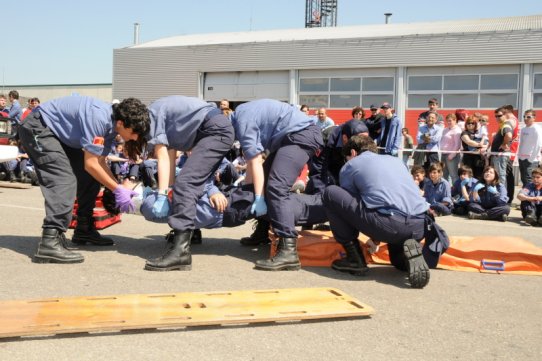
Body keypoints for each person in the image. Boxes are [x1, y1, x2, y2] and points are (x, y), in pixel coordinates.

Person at [18, 96, 150, 264]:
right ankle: (50, 240)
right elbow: (91, 163)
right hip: (38, 128)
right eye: (134, 132)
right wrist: (118, 190)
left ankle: (84, 228)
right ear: (121, 124)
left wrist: (116, 186)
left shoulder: (111, 127)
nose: (135, 138)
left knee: (90, 177)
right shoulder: (99, 119)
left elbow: (99, 163)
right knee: (63, 179)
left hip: (58, 135)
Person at [322, 135, 430, 288]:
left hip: (389, 224)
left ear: (352, 153)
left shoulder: (351, 165)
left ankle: (355, 258)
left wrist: (374, 236)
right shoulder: (396, 161)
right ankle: (405, 259)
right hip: (419, 225)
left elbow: (349, 204)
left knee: (331, 193)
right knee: (396, 261)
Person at [143, 95, 234, 272]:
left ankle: (181, 252)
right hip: (213, 129)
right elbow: (169, 153)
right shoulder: (164, 117)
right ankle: (190, 235)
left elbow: (162, 155)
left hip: (213, 130)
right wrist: (169, 189)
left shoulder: (154, 114)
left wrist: (162, 195)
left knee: (185, 184)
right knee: (185, 185)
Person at [231, 99, 323, 271]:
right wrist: (250, 190)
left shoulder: (242, 121)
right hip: (290, 137)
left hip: (301, 134)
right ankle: (263, 231)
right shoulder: (241, 115)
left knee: (276, 187)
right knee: (263, 181)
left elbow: (255, 161)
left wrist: (257, 197)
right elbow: (253, 162)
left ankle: (289, 250)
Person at [517, 109, 541, 187]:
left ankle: (531, 198)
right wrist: (519, 157)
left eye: (528, 117)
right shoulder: (523, 129)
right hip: (521, 159)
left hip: (531, 160)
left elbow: (539, 145)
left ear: (534, 118)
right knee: (524, 181)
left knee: (530, 181)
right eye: (524, 116)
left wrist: (531, 159)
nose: (525, 118)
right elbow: (521, 144)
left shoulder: (536, 128)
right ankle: (524, 198)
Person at [490, 107, 513, 187]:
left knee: (500, 176)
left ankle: (502, 195)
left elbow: (509, 135)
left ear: (505, 115)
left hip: (501, 155)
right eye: (495, 116)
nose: (497, 118)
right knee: (498, 175)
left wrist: (504, 144)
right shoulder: (503, 125)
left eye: (499, 116)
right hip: (498, 155)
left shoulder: (506, 125)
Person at [439, 113, 462, 184]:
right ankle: (445, 191)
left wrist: (452, 155)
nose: (449, 122)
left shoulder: (457, 130)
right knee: (443, 175)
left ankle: (455, 193)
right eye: (447, 121)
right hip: (443, 154)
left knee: (453, 175)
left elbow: (457, 144)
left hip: (452, 156)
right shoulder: (445, 130)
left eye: (450, 121)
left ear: (455, 120)